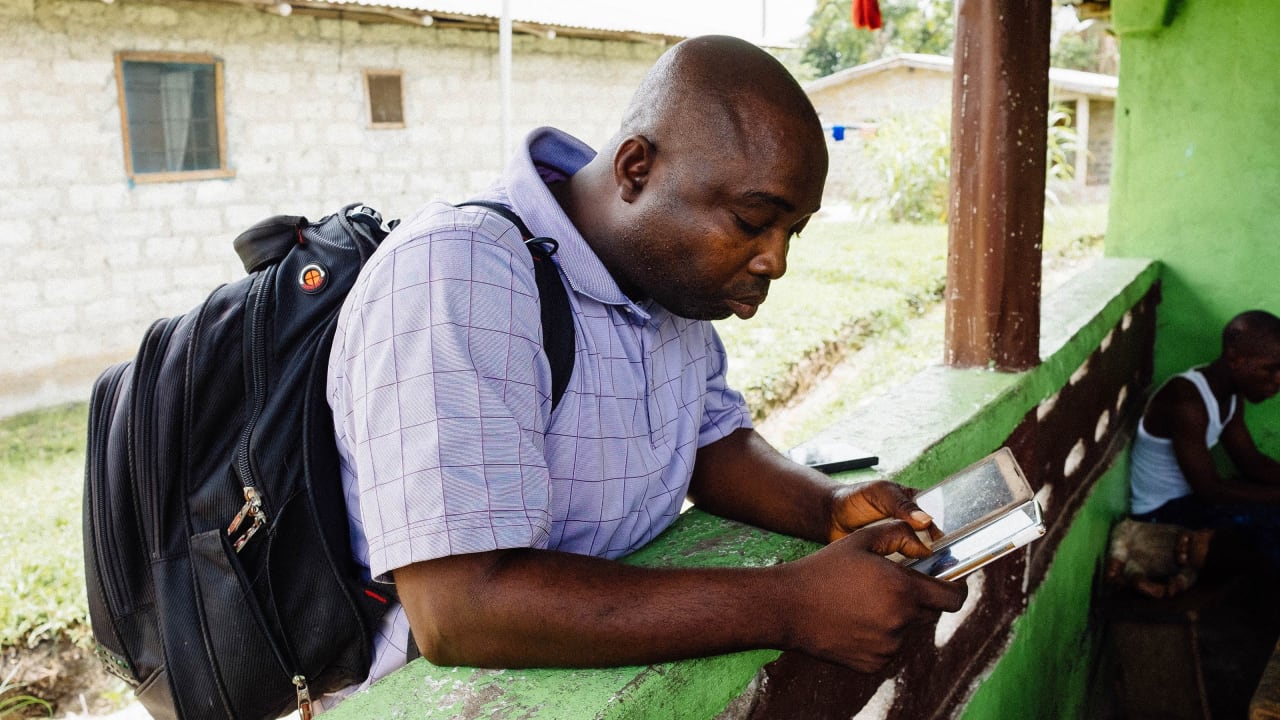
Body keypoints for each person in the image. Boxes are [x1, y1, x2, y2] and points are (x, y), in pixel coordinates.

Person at [323, 35, 967, 703]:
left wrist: (826, 508)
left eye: (792, 231)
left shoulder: (666, 277)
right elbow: (460, 610)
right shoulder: (460, 272)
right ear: (635, 169)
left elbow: (708, 440)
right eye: (752, 220)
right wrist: (791, 604)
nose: (776, 261)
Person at [1129, 309, 1280, 570]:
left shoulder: (1231, 396)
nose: (1278, 380)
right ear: (1234, 356)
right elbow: (1211, 491)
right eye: (1270, 369)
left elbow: (1251, 462)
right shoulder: (1186, 399)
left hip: (1190, 501)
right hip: (1160, 514)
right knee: (1269, 521)